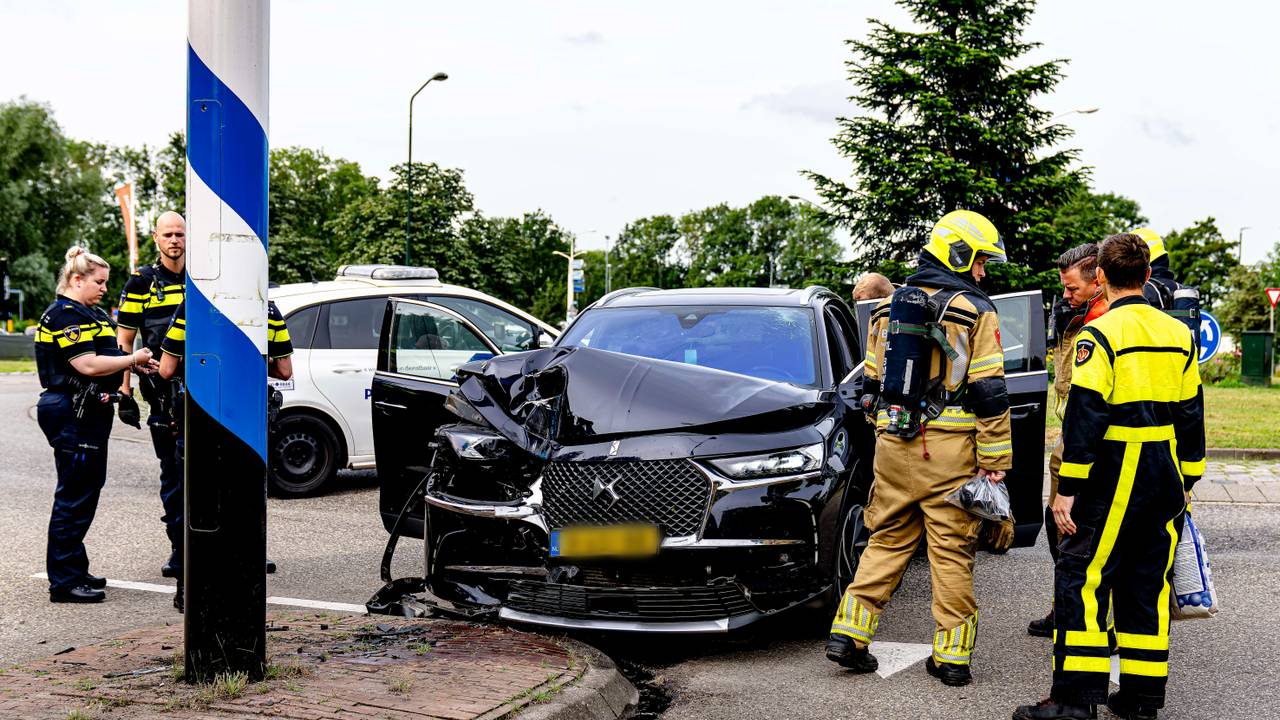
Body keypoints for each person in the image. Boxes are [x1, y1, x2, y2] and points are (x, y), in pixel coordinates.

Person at [1014, 233, 1205, 720]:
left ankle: (1073, 703)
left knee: (1082, 580)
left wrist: (1068, 490)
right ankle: (1142, 699)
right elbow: (1191, 412)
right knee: (1147, 587)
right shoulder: (1178, 334)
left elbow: (1087, 414)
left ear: (1100, 276)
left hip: (1114, 470)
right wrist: (1189, 478)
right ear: (1147, 275)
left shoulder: (1098, 335)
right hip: (1164, 472)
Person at [826, 210, 1013, 687]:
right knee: (951, 552)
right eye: (979, 261)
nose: (982, 272)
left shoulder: (887, 308)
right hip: (949, 455)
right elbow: (989, 391)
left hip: (893, 447)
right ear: (959, 253)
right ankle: (951, 659)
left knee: (886, 540)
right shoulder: (975, 310)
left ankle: (849, 635)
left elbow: (870, 385)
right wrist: (995, 460)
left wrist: (887, 432)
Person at [35, 247, 158, 603]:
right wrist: (132, 357)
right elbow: (87, 364)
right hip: (71, 410)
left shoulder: (92, 313)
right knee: (74, 495)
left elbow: (107, 355)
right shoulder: (64, 315)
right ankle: (64, 582)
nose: (105, 288)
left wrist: (132, 363)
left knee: (86, 491)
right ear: (77, 280)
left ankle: (75, 567)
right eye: (99, 282)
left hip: (89, 412)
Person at [157, 300, 293, 611]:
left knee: (196, 506)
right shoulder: (267, 309)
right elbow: (284, 371)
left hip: (200, 418)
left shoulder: (193, 307)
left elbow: (166, 369)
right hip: (245, 423)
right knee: (244, 502)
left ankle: (188, 589)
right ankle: (242, 586)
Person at [1028, 243, 1109, 638]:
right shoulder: (1076, 315)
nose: (1065, 294)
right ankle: (1065, 605)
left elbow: (1091, 402)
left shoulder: (1104, 321)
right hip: (1068, 437)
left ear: (1099, 281)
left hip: (1090, 442)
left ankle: (1088, 616)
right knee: (1058, 528)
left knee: (1080, 532)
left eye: (1072, 287)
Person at [116, 211, 186, 582]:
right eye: (168, 234)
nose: (175, 240)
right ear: (155, 237)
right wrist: (125, 389)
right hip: (162, 392)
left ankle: (234, 543)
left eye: (180, 234)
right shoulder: (141, 281)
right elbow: (125, 340)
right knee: (173, 475)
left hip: (207, 388)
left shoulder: (203, 277)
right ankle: (180, 549)